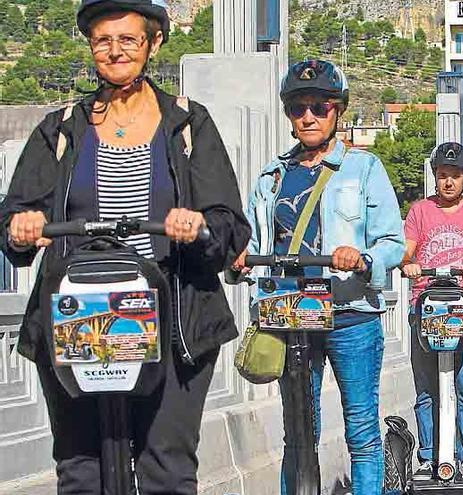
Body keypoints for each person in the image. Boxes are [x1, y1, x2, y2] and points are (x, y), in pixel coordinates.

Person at [0, 1, 251, 493]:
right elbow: (15, 215)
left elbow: (229, 225)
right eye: (102, 41)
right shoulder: (62, 128)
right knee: (80, 471)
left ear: (153, 44)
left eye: (128, 39)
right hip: (78, 319)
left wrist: (197, 226)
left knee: (167, 469)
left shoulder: (187, 125)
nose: (115, 52)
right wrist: (21, 227)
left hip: (175, 321)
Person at [230, 60, 405, 495]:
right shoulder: (271, 176)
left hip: (349, 314)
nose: (308, 116)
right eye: (298, 108)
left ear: (337, 111)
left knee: (361, 430)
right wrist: (239, 258)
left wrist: (361, 257)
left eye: (320, 106)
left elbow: (392, 243)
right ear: (289, 115)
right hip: (288, 314)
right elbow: (251, 238)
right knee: (299, 435)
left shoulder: (364, 168)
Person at [402, 142, 463, 480]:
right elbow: (407, 251)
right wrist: (409, 264)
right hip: (426, 307)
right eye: (442, 176)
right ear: (435, 177)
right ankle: (428, 456)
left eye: (454, 176)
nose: (448, 182)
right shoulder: (419, 211)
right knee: (427, 387)